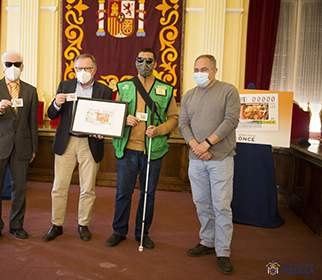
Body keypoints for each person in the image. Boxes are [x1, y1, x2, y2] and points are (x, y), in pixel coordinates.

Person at [105, 48, 178, 249]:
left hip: (153, 150)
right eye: (140, 60)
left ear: (155, 63)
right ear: (135, 62)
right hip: (127, 149)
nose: (144, 64)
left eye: (149, 61)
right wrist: (123, 118)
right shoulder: (124, 86)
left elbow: (174, 118)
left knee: (148, 194)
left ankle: (142, 232)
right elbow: (112, 114)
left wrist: (160, 129)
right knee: (123, 193)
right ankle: (119, 231)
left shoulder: (166, 89)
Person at [178, 54, 240, 275]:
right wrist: (196, 146)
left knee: (221, 206)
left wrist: (206, 144)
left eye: (204, 69)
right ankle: (207, 241)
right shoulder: (189, 95)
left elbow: (231, 120)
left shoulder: (228, 90)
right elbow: (182, 123)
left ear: (215, 71)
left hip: (221, 158)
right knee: (201, 203)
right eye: (196, 69)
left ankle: (223, 251)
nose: (199, 74)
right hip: (196, 159)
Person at [43, 54, 113, 242]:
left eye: (87, 68)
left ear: (94, 70)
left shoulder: (104, 90)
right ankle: (56, 224)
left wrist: (102, 130)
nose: (83, 72)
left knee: (88, 187)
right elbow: (51, 115)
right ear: (74, 70)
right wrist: (57, 103)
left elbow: (108, 118)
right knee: (59, 187)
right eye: (79, 69)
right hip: (67, 141)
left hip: (90, 143)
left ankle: (83, 224)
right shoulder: (65, 86)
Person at [0, 50, 39, 243]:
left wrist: (34, 148)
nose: (12, 68)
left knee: (19, 189)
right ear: (3, 66)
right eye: (8, 64)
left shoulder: (30, 90)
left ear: (22, 66)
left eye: (16, 64)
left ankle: (16, 225)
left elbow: (33, 122)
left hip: (22, 146)